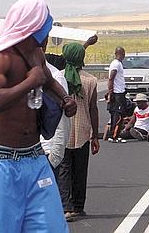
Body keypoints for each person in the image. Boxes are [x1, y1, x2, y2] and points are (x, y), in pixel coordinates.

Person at [0, 0, 77, 232]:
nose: (47, 34)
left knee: (53, 228)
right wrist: (29, 83)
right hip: (1, 162)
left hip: (35, 158)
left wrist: (64, 99)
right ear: (33, 27)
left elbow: (46, 80)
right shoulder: (0, 58)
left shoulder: (36, 55)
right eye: (46, 27)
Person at [58, 42, 100, 222]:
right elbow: (93, 109)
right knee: (80, 170)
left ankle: (65, 207)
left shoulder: (58, 78)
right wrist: (95, 135)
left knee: (64, 169)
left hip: (62, 130)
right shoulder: (90, 80)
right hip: (83, 131)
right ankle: (78, 206)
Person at [40, 39, 71, 180]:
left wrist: (54, 157)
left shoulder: (55, 77)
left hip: (46, 153)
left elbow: (62, 122)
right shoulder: (15, 74)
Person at [107, 47, 126, 141]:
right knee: (117, 115)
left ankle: (115, 134)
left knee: (119, 114)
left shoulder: (119, 64)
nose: (124, 56)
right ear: (119, 53)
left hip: (120, 92)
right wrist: (111, 92)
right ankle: (114, 136)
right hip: (117, 93)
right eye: (123, 54)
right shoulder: (116, 64)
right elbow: (111, 78)